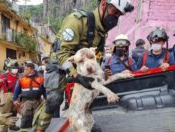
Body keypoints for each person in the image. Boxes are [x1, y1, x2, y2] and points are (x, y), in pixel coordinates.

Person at [33, 0, 134, 131]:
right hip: (60, 64)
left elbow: (96, 56)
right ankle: (40, 128)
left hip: (82, 66)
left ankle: (86, 121)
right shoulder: (77, 21)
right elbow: (62, 53)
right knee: (55, 99)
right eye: (114, 12)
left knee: (89, 93)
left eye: (119, 15)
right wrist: (75, 75)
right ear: (103, 4)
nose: (115, 18)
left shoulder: (101, 31)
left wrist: (100, 72)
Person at [13, 63, 46, 132]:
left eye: (26, 69)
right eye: (24, 69)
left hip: (38, 101)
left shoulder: (40, 78)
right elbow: (16, 90)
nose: (24, 71)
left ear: (32, 70)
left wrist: (46, 98)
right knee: (26, 119)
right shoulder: (21, 79)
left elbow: (44, 90)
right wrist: (15, 100)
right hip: (26, 102)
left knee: (38, 119)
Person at [0, 58, 20, 131]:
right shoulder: (3, 76)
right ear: (9, 68)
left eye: (16, 68)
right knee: (5, 114)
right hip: (7, 96)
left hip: (17, 97)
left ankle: (12, 125)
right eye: (13, 68)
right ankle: (4, 130)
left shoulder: (19, 76)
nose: (15, 69)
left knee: (14, 112)